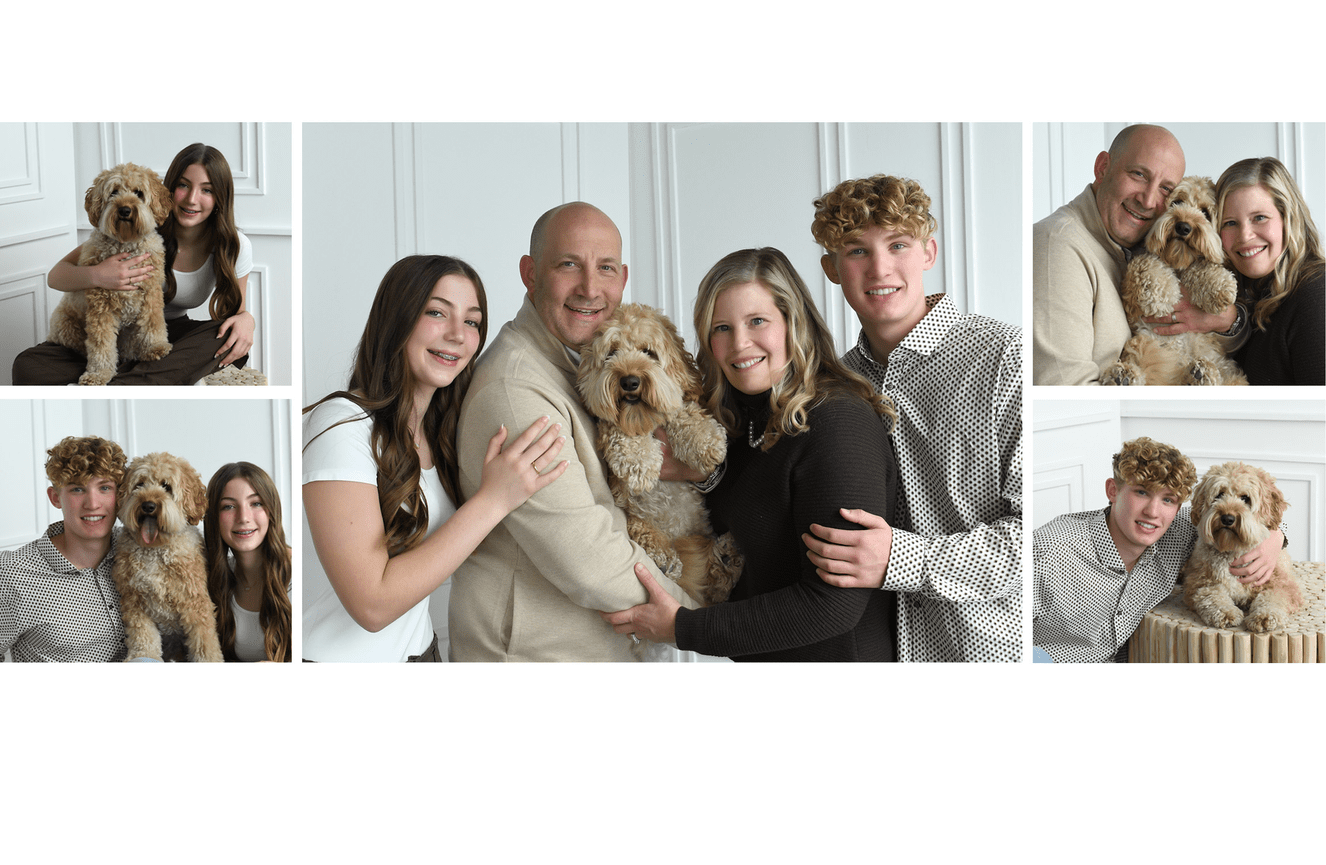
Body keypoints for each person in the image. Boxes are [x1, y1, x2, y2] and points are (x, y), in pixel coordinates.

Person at [602, 248, 899, 661]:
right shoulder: (741, 418)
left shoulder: (837, 423)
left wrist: (682, 627)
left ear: (793, 323)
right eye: (722, 328)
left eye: (757, 321)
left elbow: (832, 606)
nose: (740, 344)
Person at [449, 202, 699, 662]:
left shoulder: (583, 364)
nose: (589, 288)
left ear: (622, 278)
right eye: (568, 264)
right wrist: (700, 620)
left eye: (605, 268)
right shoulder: (517, 392)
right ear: (529, 273)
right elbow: (589, 559)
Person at [797, 174, 1022, 662]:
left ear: (929, 253)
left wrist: (899, 558)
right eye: (856, 251)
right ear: (831, 268)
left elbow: (1031, 543)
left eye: (898, 244)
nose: (880, 269)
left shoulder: (1007, 356)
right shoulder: (829, 385)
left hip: (983, 654)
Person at [303, 255, 568, 662]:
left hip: (423, 653)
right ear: (397, 319)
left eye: (473, 321)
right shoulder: (342, 424)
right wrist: (494, 500)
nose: (458, 335)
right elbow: (372, 606)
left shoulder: (441, 430)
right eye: (436, 313)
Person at [14, 143, 256, 385]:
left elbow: (238, 313)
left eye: (207, 190)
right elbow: (56, 276)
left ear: (220, 197)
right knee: (27, 364)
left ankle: (122, 382)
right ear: (170, 188)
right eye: (183, 185)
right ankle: (141, 377)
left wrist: (248, 320)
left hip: (170, 332)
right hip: (110, 334)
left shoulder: (234, 245)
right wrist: (99, 275)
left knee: (221, 337)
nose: (192, 199)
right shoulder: (136, 227)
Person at [1033, 437, 1284, 663]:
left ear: (1178, 507)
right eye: (1141, 492)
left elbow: (1259, 518)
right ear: (1113, 490)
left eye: (1168, 499)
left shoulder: (1182, 528)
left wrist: (1277, 538)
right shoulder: (1051, 547)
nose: (1153, 512)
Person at [1032, 125, 1244, 385]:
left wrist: (1227, 320)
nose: (1147, 200)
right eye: (1139, 175)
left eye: (1166, 189)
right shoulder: (1057, 245)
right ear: (1102, 168)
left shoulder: (1141, 243)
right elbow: (1065, 394)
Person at [0, 436, 127, 662]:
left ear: (121, 495)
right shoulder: (12, 572)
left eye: (105, 487)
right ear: (55, 497)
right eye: (77, 489)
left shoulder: (136, 552)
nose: (93, 504)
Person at [1213, 157, 1325, 385]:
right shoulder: (1242, 298)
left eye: (1259, 218)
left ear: (1288, 219)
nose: (1245, 236)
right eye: (1230, 223)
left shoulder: (1316, 294)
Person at [204, 462, 292, 662]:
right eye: (228, 506)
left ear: (271, 510)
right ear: (214, 518)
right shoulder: (213, 579)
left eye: (256, 503)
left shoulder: (298, 573)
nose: (243, 517)